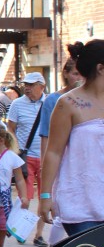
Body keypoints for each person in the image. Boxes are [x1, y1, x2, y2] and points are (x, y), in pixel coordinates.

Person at [39, 40, 104, 236]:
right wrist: (45, 195)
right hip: (80, 204)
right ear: (101, 68)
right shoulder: (68, 103)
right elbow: (53, 152)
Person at [34, 58, 83, 246]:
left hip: (84, 167)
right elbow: (46, 137)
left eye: (81, 73)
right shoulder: (56, 101)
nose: (78, 77)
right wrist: (45, 168)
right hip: (62, 162)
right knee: (62, 212)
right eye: (75, 73)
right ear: (66, 74)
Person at [7, 73, 47, 243]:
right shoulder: (17, 104)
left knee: (44, 195)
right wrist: (15, 150)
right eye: (25, 85)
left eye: (31, 85)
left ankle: (39, 234)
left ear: (42, 87)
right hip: (26, 156)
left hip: (46, 157)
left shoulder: (50, 102)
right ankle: (20, 230)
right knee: (26, 195)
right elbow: (10, 129)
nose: (27, 88)